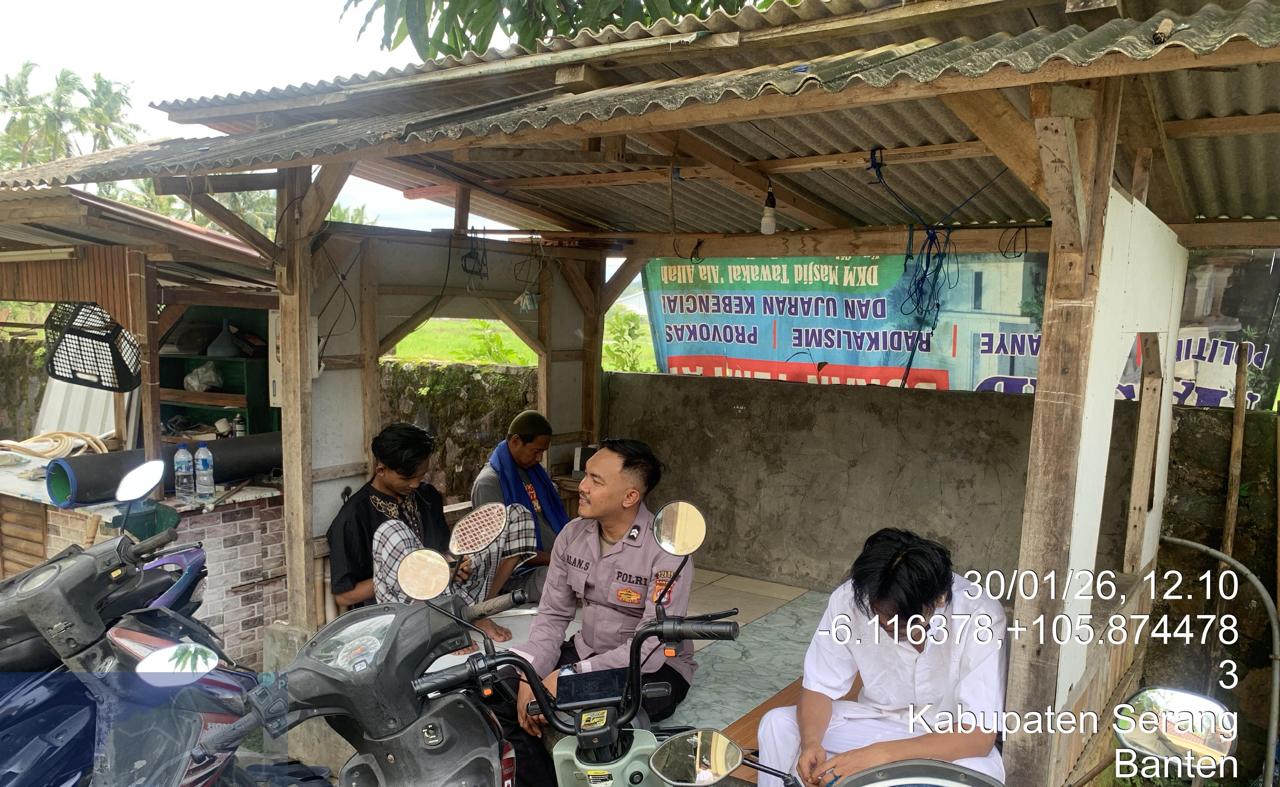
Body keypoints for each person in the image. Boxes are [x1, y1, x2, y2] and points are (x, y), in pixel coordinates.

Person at [495, 439, 694, 787]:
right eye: (586, 475)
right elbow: (552, 615)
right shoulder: (572, 535)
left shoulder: (667, 550)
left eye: (595, 480)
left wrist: (568, 676)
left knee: (583, 711)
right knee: (499, 689)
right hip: (586, 651)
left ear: (629, 496)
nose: (582, 487)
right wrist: (530, 674)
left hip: (650, 670)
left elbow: (651, 647)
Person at [756, 528, 1007, 787]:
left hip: (946, 738)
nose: (885, 623)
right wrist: (811, 743)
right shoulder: (851, 598)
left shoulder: (980, 615)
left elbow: (978, 736)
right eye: (878, 615)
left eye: (901, 622)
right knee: (778, 725)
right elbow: (818, 688)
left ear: (939, 599)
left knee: (976, 777)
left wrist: (877, 756)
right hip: (876, 722)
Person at [327, 423, 453, 610]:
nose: (415, 484)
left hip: (442, 596)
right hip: (391, 613)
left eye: (421, 476)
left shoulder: (428, 496)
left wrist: (452, 566)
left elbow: (443, 551)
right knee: (393, 532)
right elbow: (344, 596)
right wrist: (408, 576)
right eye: (407, 478)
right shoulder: (353, 518)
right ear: (381, 470)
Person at [471, 410, 571, 598]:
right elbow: (499, 551)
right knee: (567, 582)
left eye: (543, 452)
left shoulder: (535, 473)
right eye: (537, 451)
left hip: (555, 559)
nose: (540, 458)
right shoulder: (489, 483)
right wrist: (558, 559)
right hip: (518, 573)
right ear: (516, 441)